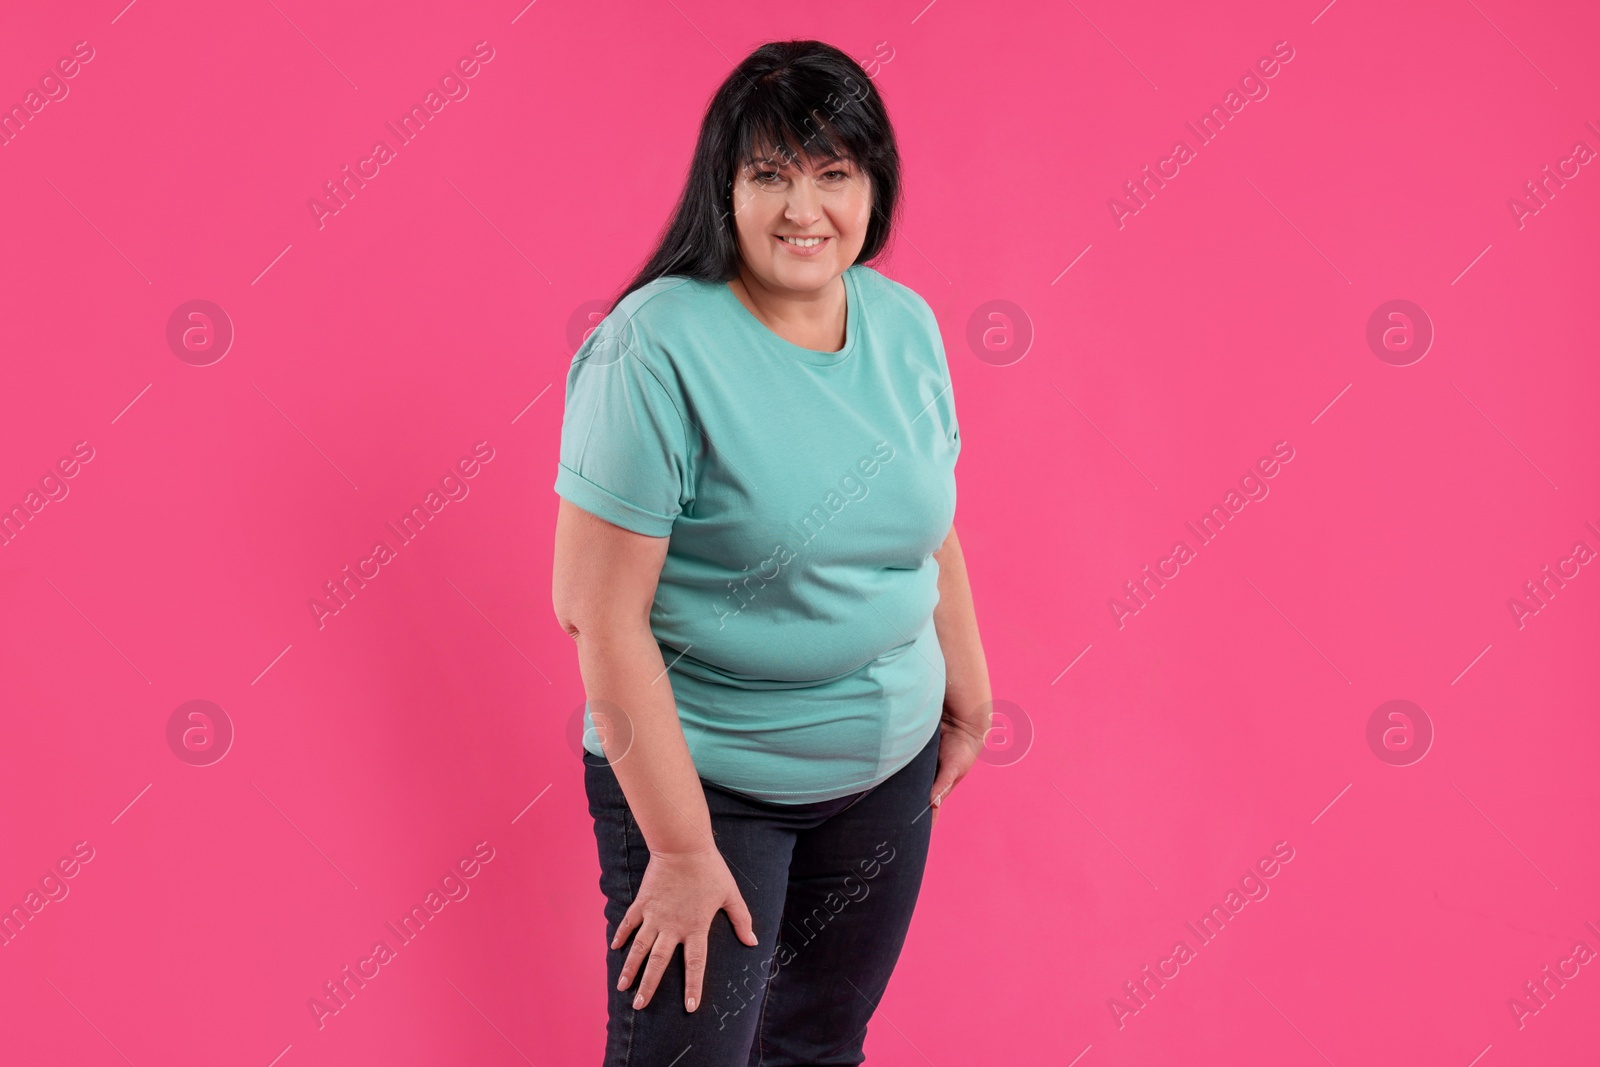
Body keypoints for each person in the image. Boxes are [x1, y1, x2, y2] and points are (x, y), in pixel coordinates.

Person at [550, 38, 992, 1067]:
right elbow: (596, 613)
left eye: (834, 171)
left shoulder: (905, 324)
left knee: (820, 1044)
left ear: (873, 185)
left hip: (882, 769)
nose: (805, 207)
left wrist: (966, 686)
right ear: (725, 188)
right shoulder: (649, 349)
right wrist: (679, 845)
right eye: (770, 174)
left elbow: (927, 519)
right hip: (706, 783)